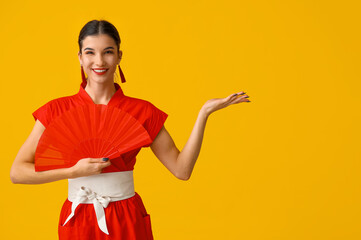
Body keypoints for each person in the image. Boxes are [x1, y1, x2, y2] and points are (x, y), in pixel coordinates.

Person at [10, 19, 251, 240]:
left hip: (126, 215)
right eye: (90, 52)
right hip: (78, 216)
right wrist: (72, 171)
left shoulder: (142, 111)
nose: (99, 61)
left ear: (119, 56)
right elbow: (17, 172)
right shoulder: (56, 110)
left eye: (108, 52)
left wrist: (204, 114)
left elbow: (182, 170)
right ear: (80, 58)